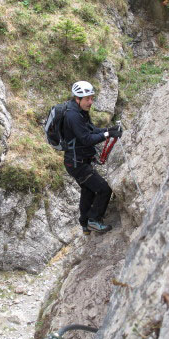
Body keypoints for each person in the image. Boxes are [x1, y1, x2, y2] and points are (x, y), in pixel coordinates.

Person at [63, 81, 122, 234]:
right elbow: (86, 139)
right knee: (103, 189)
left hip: (77, 161)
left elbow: (91, 130)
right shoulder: (73, 116)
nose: (91, 102)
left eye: (91, 98)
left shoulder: (79, 111)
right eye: (87, 99)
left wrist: (108, 130)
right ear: (77, 99)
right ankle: (94, 220)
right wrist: (108, 134)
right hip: (78, 164)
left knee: (88, 191)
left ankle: (84, 224)